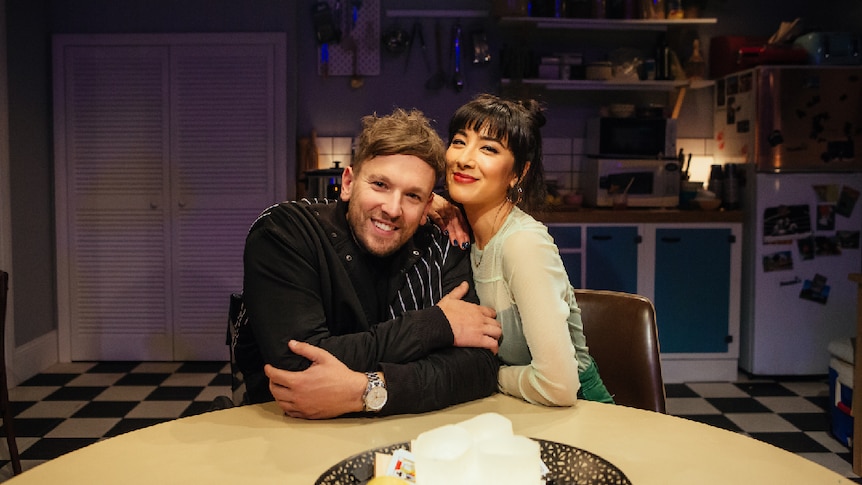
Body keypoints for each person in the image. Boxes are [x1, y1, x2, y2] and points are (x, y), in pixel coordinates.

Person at [234, 107, 502, 419]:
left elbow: (480, 369)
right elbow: (299, 364)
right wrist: (436, 325)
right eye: (380, 185)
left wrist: (368, 390)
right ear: (348, 183)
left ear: (429, 205)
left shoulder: (442, 245)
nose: (392, 208)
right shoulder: (286, 233)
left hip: (411, 444)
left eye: (413, 196)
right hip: (289, 437)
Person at [443, 93, 614, 406]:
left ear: (517, 173)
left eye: (488, 148)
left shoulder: (523, 244)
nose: (464, 158)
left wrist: (484, 375)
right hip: (522, 407)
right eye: (458, 141)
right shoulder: (464, 233)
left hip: (581, 412)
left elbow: (558, 386)